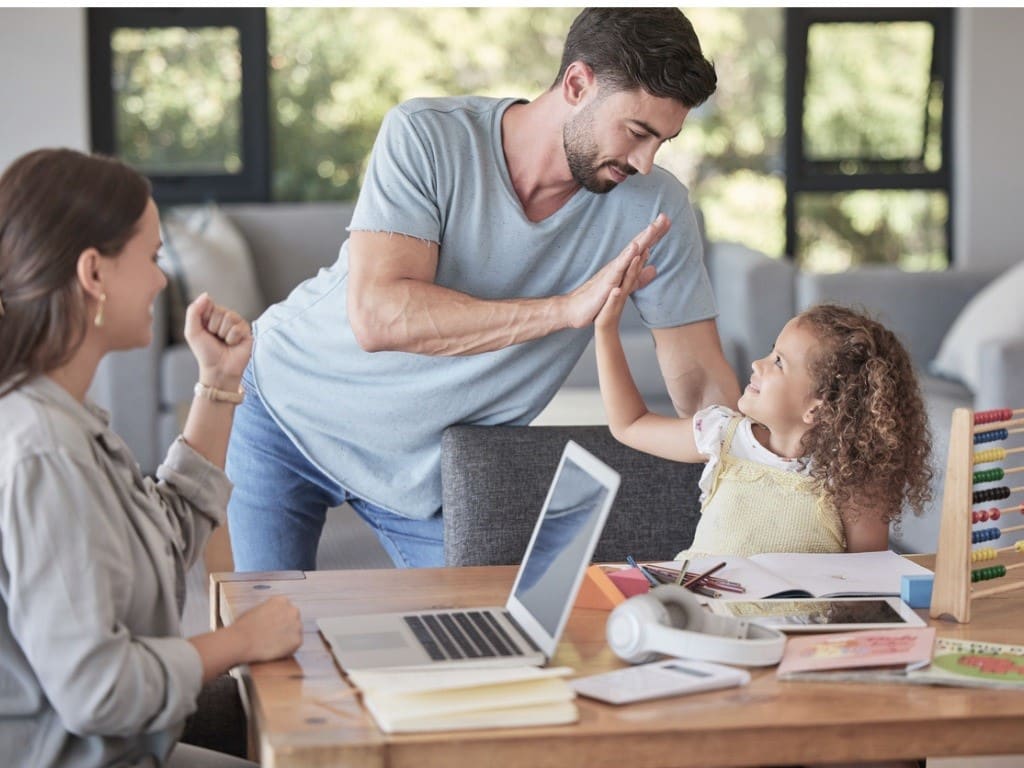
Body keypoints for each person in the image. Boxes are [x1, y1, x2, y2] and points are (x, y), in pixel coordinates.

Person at [227, 7, 740, 572]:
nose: (646, 162)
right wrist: (566, 311)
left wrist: (761, 466)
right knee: (263, 643)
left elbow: (699, 379)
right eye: (637, 132)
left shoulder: (657, 207)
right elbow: (379, 316)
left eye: (662, 141)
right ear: (576, 84)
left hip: (428, 478)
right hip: (289, 411)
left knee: (479, 643)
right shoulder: (426, 135)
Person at [0, 148, 303, 768]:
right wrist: (240, 641)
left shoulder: (61, 419)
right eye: (152, 256)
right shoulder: (45, 451)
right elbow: (98, 690)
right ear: (94, 274)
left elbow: (162, 535)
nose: (163, 280)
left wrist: (218, 383)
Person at [595, 252, 933, 556]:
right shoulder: (722, 435)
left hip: (791, 624)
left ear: (819, 408)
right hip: (700, 615)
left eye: (780, 363)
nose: (758, 364)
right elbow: (630, 424)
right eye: (772, 352)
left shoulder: (851, 479)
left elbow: (869, 582)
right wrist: (605, 330)